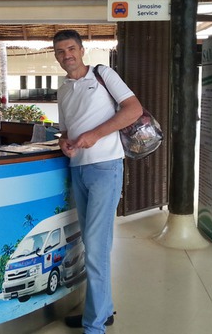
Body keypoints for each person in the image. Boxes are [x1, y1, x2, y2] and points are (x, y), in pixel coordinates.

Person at [52, 30, 143, 334]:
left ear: (82, 50)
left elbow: (133, 110)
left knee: (96, 249)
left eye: (71, 48)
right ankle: (101, 311)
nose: (67, 55)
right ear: (56, 56)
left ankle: (94, 327)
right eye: (61, 51)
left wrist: (95, 135)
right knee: (92, 245)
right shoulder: (63, 90)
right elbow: (66, 131)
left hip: (105, 167)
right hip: (77, 169)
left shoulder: (103, 74)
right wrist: (64, 142)